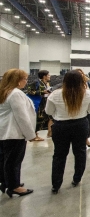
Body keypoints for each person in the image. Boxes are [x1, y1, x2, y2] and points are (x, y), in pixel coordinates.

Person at [45, 70, 90, 194]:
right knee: (80, 153)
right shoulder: (87, 94)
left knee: (59, 155)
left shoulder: (55, 94)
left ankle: (56, 184)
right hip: (80, 125)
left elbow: (49, 111)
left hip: (60, 126)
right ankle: (77, 178)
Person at [0, 69, 36, 198]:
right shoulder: (15, 94)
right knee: (14, 161)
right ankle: (14, 187)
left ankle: (6, 182)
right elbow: (22, 117)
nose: (26, 82)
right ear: (17, 80)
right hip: (14, 132)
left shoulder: (4, 91)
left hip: (4, 131)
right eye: (25, 79)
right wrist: (31, 135)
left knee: (5, 159)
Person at [26, 70, 52, 141]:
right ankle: (34, 135)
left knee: (45, 118)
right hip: (37, 103)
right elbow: (29, 91)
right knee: (37, 119)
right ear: (44, 76)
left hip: (43, 103)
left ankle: (47, 133)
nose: (49, 76)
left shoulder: (46, 83)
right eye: (48, 75)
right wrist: (42, 92)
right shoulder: (36, 82)